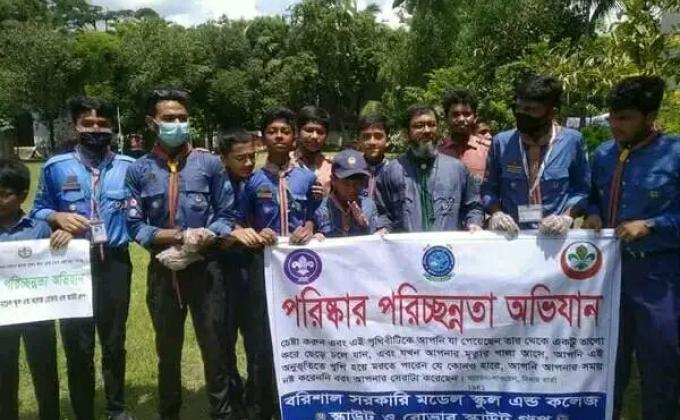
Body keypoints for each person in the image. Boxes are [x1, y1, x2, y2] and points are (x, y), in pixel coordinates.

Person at [126, 88, 238, 420]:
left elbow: (226, 214)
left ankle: (222, 413)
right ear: (152, 122)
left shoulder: (209, 164)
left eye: (182, 118)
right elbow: (134, 224)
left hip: (206, 269)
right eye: (169, 118)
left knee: (214, 347)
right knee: (168, 350)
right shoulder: (139, 170)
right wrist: (176, 237)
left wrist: (206, 235)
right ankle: (169, 412)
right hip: (164, 270)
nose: (177, 124)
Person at [31, 96, 135, 420]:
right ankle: (83, 411)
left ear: (111, 127)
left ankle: (116, 408)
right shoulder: (55, 167)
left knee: (114, 341)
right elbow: (37, 211)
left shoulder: (129, 167)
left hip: (115, 262)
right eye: (87, 123)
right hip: (73, 265)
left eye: (102, 123)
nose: (95, 129)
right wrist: (57, 217)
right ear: (75, 126)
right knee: (78, 344)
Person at [583, 76, 680, 420]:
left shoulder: (674, 154)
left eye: (625, 118)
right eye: (612, 117)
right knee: (607, 359)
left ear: (649, 116)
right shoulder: (603, 155)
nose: (615, 125)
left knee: (660, 360)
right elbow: (591, 197)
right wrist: (592, 214)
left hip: (658, 276)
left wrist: (652, 225)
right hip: (609, 275)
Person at [237, 107, 319, 419]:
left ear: (294, 136)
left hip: (300, 271)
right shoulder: (252, 179)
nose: (280, 136)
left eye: (285, 131)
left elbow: (316, 216)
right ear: (263, 138)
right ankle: (262, 403)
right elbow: (239, 220)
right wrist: (256, 233)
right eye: (273, 132)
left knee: (300, 334)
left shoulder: (307, 178)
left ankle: (299, 399)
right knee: (261, 337)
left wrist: (309, 227)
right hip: (263, 268)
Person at [0, 159, 71, 420]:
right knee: (4, 373)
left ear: (22, 196)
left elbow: (59, 264)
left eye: (5, 194)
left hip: (38, 316)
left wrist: (65, 237)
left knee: (45, 370)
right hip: (2, 318)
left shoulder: (39, 229)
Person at [481, 74, 590, 238]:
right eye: (518, 108)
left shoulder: (572, 142)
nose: (521, 114)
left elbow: (582, 190)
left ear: (552, 113)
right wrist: (496, 213)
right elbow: (489, 189)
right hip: (512, 237)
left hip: (556, 238)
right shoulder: (501, 143)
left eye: (530, 110)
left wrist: (567, 216)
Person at [375, 104, 484, 233]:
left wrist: (474, 223)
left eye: (432, 125)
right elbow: (383, 213)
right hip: (407, 245)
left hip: (447, 245)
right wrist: (383, 228)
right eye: (419, 126)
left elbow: (473, 206)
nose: (427, 130)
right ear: (407, 132)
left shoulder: (457, 169)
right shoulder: (390, 171)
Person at [216, 130, 260, 419]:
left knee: (256, 338)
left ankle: (257, 396)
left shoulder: (258, 181)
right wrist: (231, 233)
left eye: (251, 157)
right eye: (240, 158)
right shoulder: (215, 184)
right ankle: (233, 397)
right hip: (222, 269)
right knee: (224, 337)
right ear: (224, 158)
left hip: (255, 268)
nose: (248, 163)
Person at [314, 149, 378, 237]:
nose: (352, 189)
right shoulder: (320, 208)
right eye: (346, 183)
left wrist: (363, 224)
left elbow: (374, 239)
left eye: (357, 183)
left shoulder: (368, 206)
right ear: (333, 180)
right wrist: (315, 237)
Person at [438, 89, 490, 193]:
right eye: (455, 114)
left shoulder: (488, 150)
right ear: (447, 117)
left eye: (467, 114)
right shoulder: (437, 152)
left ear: (475, 117)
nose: (461, 119)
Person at [293, 105, 333, 195]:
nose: (315, 136)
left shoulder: (332, 168)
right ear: (297, 132)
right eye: (309, 130)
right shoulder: (286, 164)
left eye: (320, 132)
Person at [356, 112, 390, 199]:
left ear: (387, 140)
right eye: (366, 137)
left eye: (378, 136)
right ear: (359, 141)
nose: (372, 142)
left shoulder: (394, 171)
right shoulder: (352, 170)